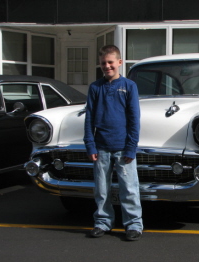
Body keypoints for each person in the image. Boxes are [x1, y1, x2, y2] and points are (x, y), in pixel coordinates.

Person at [83, 45, 143, 240]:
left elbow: (134, 119)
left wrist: (131, 147)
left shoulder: (129, 86)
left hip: (123, 148)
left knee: (129, 189)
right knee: (102, 190)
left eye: (110, 62)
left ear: (119, 62)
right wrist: (90, 144)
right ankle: (103, 222)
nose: (107, 66)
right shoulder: (95, 87)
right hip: (101, 147)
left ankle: (133, 224)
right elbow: (89, 118)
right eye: (103, 63)